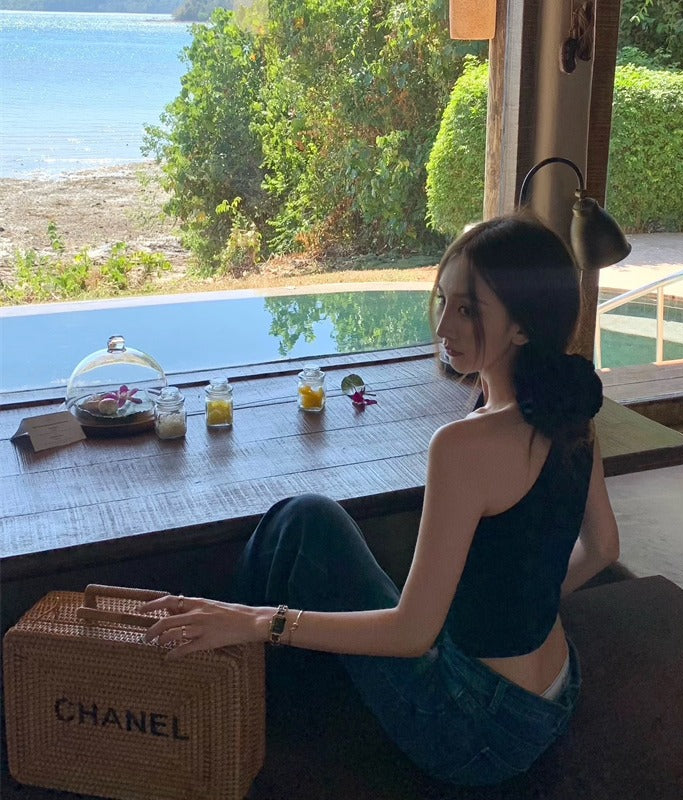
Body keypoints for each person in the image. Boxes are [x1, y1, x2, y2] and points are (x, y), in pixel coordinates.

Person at [141, 213, 620, 787]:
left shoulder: (462, 446)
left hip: (472, 728)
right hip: (556, 695)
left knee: (297, 535)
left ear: (522, 327)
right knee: (307, 515)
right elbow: (603, 548)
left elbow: (411, 634)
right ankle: (239, 672)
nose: (443, 325)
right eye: (443, 300)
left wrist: (258, 623)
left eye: (468, 310)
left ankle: (227, 686)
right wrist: (519, 606)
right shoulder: (572, 411)